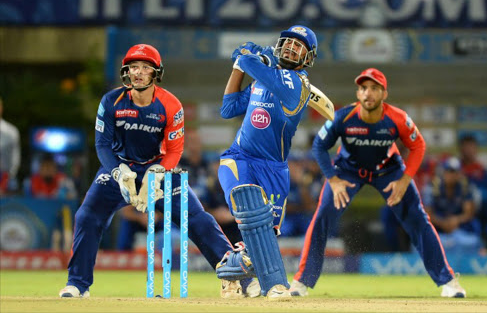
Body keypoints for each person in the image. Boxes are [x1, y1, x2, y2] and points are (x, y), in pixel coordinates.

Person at [59, 44, 239, 298]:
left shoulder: (170, 104)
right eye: (134, 67)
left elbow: (175, 150)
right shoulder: (112, 101)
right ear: (127, 71)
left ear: (156, 73)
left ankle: (235, 275)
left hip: (159, 167)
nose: (139, 73)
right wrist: (118, 173)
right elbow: (101, 144)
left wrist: (157, 175)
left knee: (196, 217)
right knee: (87, 216)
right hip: (119, 166)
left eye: (146, 68)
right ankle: (78, 284)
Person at [289, 68, 466, 298]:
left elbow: (418, 146)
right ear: (358, 93)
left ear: (384, 94)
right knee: (322, 218)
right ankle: (301, 283)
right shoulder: (343, 117)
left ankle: (449, 283)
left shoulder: (398, 118)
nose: (368, 93)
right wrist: (333, 179)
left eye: (375, 88)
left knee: (418, 221)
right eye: (364, 88)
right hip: (348, 172)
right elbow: (319, 146)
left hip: (388, 171)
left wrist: (404, 180)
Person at [214, 26, 318, 300]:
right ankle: (276, 286)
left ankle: (229, 269)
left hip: (274, 169)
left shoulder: (298, 84)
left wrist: (247, 58)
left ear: (308, 58)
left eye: (299, 47)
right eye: (288, 43)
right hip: (240, 159)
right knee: (251, 213)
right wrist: (238, 67)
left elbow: (252, 63)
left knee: (261, 239)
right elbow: (228, 109)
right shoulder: (264, 78)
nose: (291, 49)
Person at [423, 157, 484, 254]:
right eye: (449, 171)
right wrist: (443, 223)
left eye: (454, 172)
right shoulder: (433, 186)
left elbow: (468, 212)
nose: (451, 175)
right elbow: (427, 213)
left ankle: (480, 252)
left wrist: (456, 220)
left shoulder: (465, 186)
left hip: (458, 224)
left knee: (475, 224)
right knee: (422, 225)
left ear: (459, 173)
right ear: (443, 172)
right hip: (438, 223)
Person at [0, 96, 21, 195]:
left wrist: (7, 180)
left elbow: (15, 159)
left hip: (6, 180)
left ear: (1, 108)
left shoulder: (12, 132)